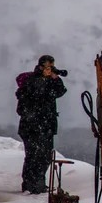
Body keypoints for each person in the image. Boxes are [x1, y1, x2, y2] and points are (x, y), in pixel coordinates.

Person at [16, 55, 67, 194]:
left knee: (44, 156)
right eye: (48, 68)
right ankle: (30, 185)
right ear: (40, 67)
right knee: (33, 155)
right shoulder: (31, 81)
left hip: (46, 126)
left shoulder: (50, 82)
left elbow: (60, 92)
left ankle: (37, 183)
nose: (50, 71)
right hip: (32, 127)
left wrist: (55, 79)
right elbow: (33, 96)